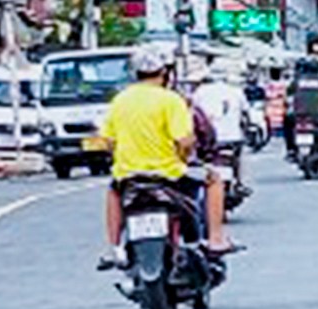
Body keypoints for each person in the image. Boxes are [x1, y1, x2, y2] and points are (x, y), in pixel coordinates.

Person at [95, 43, 232, 264]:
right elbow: (185, 141)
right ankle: (216, 238)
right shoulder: (170, 100)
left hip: (129, 175)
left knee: (114, 190)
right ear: (166, 72)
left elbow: (108, 142)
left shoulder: (120, 100)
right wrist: (184, 155)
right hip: (169, 174)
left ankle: (113, 246)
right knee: (215, 179)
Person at [188, 60, 252, 192]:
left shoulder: (200, 92)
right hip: (232, 137)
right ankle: (240, 182)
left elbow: (193, 114)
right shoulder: (236, 91)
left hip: (208, 139)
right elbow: (245, 112)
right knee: (238, 157)